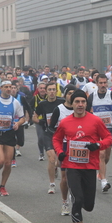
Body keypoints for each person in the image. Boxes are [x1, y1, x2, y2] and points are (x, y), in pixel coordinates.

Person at [53, 89, 112, 223]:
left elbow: (109, 138)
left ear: (86, 104)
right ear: (72, 104)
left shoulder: (95, 121)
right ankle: (75, 203)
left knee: (89, 205)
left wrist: (98, 145)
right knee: (78, 200)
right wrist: (59, 152)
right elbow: (56, 139)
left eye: (83, 102)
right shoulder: (65, 122)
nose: (80, 104)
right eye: (77, 102)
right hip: (71, 165)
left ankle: (77, 201)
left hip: (90, 166)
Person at [86, 74, 112, 192]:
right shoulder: (92, 97)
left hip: (109, 130)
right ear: (96, 84)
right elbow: (87, 112)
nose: (103, 85)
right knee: (101, 154)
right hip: (96, 131)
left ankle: (101, 171)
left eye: (105, 83)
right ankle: (104, 181)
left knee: (106, 156)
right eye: (101, 83)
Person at [49, 84, 76, 216]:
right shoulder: (59, 109)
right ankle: (65, 202)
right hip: (64, 146)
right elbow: (50, 127)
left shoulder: (81, 109)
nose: (71, 95)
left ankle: (74, 196)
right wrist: (59, 137)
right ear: (65, 95)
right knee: (64, 178)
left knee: (77, 177)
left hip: (78, 147)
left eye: (73, 93)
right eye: (69, 93)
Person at [33, 82, 65, 194]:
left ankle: (56, 166)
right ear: (46, 92)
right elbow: (34, 116)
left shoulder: (62, 101)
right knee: (51, 158)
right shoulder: (43, 104)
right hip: (49, 134)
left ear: (56, 91)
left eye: (53, 89)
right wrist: (40, 122)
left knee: (61, 161)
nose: (52, 92)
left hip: (61, 134)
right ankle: (52, 184)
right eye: (49, 90)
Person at [10, 81, 31, 167]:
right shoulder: (7, 98)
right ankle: (13, 159)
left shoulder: (21, 98)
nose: (13, 90)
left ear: (17, 89)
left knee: (21, 140)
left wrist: (29, 119)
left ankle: (18, 147)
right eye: (12, 88)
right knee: (11, 141)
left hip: (20, 121)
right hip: (10, 123)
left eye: (15, 88)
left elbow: (27, 107)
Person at [29, 82, 47, 160]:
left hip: (48, 121)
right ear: (38, 89)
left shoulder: (49, 98)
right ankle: (41, 153)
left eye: (44, 88)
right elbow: (29, 107)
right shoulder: (35, 98)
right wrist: (32, 113)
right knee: (40, 137)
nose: (42, 90)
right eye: (41, 88)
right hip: (39, 121)